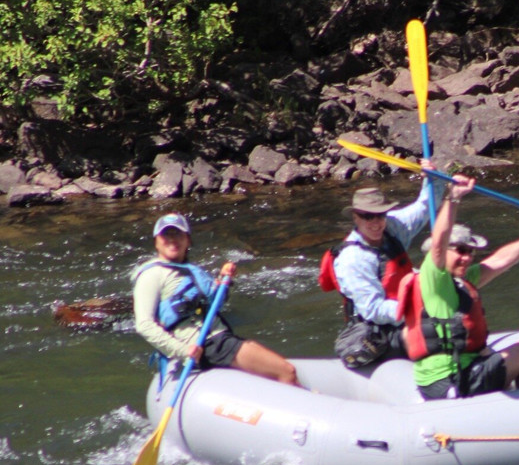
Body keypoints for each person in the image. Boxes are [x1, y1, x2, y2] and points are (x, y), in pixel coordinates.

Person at [397, 178, 519, 400]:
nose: (466, 257)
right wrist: (453, 197)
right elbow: (439, 242)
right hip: (453, 381)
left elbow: (500, 261)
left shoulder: (462, 279)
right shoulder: (434, 278)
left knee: (507, 353)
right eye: (460, 250)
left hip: (456, 376)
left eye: (470, 252)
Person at [132, 213, 299, 385]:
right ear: (156, 241)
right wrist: (183, 351)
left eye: (178, 234)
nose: (172, 240)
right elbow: (144, 324)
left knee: (279, 371)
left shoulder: (190, 270)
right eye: (166, 234)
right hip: (205, 344)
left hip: (218, 338)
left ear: (188, 240)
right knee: (286, 371)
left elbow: (215, 304)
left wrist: (223, 281)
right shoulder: (151, 275)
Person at [320, 161, 440, 368]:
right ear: (356, 217)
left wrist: (433, 179)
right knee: (438, 331)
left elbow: (425, 207)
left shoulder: (393, 227)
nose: (376, 223)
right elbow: (374, 309)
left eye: (380, 215)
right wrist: (419, 311)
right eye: (368, 216)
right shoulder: (352, 259)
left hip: (405, 315)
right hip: (377, 332)